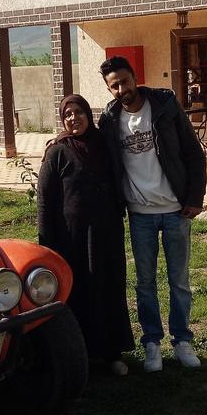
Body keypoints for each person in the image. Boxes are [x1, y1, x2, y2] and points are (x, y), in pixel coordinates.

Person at [98, 56, 207, 372]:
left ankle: (183, 340)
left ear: (135, 77)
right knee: (145, 282)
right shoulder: (110, 119)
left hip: (175, 209)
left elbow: (193, 154)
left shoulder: (165, 106)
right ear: (110, 89)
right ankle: (152, 344)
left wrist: (195, 197)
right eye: (114, 85)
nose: (121, 89)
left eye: (124, 81)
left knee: (179, 281)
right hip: (140, 213)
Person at [38, 94, 134, 375]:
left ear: (87, 115)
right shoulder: (58, 152)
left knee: (109, 288)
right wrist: (46, 243)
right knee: (78, 291)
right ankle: (82, 354)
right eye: (67, 114)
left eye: (78, 112)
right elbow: (44, 200)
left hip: (106, 234)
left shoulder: (104, 144)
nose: (73, 118)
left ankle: (112, 353)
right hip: (71, 238)